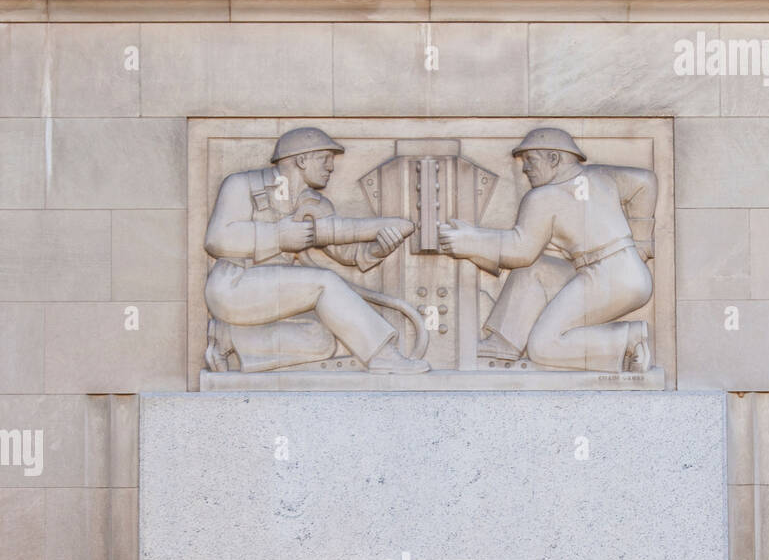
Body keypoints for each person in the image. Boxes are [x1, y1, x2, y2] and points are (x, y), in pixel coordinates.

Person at [204, 126, 428, 374]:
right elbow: (217, 239)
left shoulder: (317, 204)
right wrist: (279, 236)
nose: (331, 167)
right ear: (301, 160)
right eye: (325, 159)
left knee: (322, 338)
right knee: (324, 282)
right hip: (233, 285)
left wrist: (377, 249)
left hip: (273, 297)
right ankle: (382, 355)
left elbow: (347, 254)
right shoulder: (242, 184)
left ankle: (228, 338)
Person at [438, 127, 657, 373]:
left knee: (543, 346)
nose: (524, 169)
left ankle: (629, 339)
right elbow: (645, 182)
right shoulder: (601, 175)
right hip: (614, 272)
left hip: (610, 279)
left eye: (531, 160)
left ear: (554, 159)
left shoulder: (543, 196)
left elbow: (521, 249)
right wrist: (641, 243)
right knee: (535, 269)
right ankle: (506, 341)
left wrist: (471, 241)